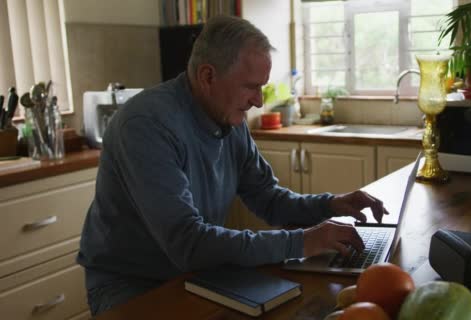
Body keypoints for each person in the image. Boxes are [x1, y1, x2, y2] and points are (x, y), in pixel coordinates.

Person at [77, 15, 388, 316]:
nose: (259, 101)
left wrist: (332, 205)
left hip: (195, 271)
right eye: (251, 87)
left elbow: (268, 198)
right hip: (131, 284)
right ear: (208, 76)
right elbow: (189, 242)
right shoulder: (146, 125)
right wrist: (302, 241)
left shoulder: (229, 118)